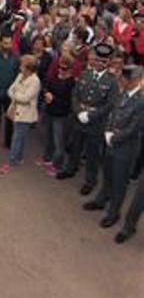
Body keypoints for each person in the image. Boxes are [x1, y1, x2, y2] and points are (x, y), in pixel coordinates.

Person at [83, 65, 143, 229]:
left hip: (125, 148)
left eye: (124, 79)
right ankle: (101, 200)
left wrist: (114, 137)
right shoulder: (121, 92)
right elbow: (112, 114)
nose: (121, 80)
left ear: (135, 81)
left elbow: (134, 127)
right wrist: (108, 131)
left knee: (119, 182)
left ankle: (113, 213)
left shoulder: (141, 101)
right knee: (107, 174)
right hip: (111, 142)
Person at [56, 43, 119, 196]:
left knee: (92, 154)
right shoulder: (85, 74)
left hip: (96, 124)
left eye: (103, 61)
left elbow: (110, 105)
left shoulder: (112, 82)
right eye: (97, 60)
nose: (99, 63)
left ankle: (90, 181)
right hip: (79, 119)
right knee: (74, 147)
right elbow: (75, 95)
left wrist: (90, 115)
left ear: (108, 62)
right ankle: (70, 169)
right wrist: (78, 112)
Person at [0, 55, 41, 175]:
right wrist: (17, 95)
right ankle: (19, 158)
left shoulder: (35, 81)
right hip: (16, 109)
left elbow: (26, 98)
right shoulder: (20, 75)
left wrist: (15, 95)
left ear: (28, 68)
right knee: (20, 136)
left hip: (26, 114)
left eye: (22, 65)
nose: (20, 67)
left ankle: (11, 161)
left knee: (17, 137)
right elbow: (10, 90)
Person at [41, 56, 76, 176]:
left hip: (61, 115)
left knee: (59, 141)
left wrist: (53, 98)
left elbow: (69, 102)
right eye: (59, 67)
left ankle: (57, 165)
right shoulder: (54, 77)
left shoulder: (71, 83)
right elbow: (46, 87)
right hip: (50, 112)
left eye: (64, 69)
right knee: (49, 137)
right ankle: (47, 158)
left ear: (70, 70)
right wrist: (46, 93)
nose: (61, 70)